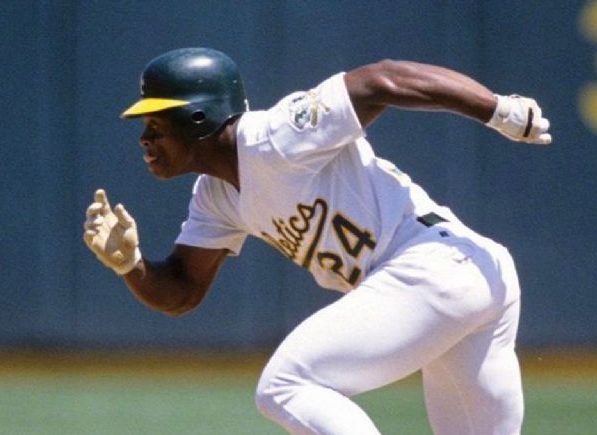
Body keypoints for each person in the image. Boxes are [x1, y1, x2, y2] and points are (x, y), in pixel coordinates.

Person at [83, 47, 551, 435]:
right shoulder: (215, 196)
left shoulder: (275, 136)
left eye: (156, 124)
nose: (144, 138)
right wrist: (131, 265)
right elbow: (182, 290)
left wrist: (496, 109)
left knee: (285, 385)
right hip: (471, 276)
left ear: (197, 117)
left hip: (430, 265)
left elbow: (381, 80)